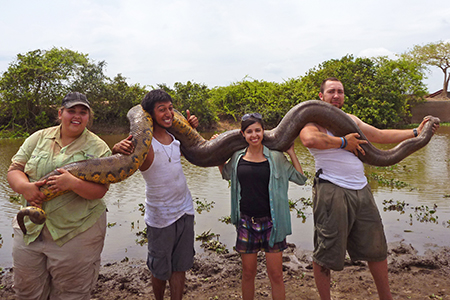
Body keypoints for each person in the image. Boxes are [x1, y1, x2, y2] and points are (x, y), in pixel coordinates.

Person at [299, 77, 440, 300]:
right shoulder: (312, 121)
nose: (336, 95)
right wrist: (344, 142)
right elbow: (309, 140)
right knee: (326, 253)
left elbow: (380, 135)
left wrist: (415, 132)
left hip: (361, 189)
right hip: (331, 190)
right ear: (321, 96)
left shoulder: (350, 119)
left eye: (340, 91)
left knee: (377, 249)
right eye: (331, 91)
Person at [7, 92, 111, 299]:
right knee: (26, 291)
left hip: (76, 231)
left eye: (83, 112)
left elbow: (100, 191)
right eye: (71, 111)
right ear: (60, 113)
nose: (77, 116)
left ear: (88, 117)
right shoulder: (38, 137)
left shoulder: (98, 147)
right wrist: (25, 187)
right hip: (30, 228)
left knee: (71, 293)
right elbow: (14, 169)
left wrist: (73, 183)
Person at [112, 89, 199, 300]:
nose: (169, 113)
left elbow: (200, 151)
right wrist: (116, 148)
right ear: (150, 115)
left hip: (185, 211)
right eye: (162, 110)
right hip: (161, 219)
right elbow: (117, 161)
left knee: (180, 266)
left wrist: (191, 129)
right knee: (160, 269)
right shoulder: (144, 146)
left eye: (170, 108)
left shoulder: (176, 139)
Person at [216, 113, 307, 300]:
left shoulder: (276, 157)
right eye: (249, 131)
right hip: (246, 222)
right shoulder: (237, 157)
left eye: (257, 130)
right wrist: (217, 150)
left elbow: (300, 178)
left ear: (263, 131)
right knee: (248, 274)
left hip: (272, 224)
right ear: (243, 134)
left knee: (276, 275)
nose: (254, 135)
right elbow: (226, 174)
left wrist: (291, 152)